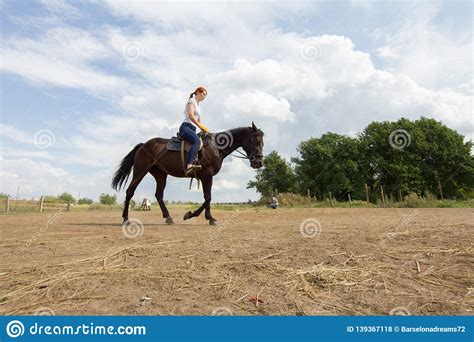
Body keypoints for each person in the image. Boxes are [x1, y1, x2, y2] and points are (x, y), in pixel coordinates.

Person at [179, 86, 209, 176]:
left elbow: (199, 122)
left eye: (205, 95)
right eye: (203, 94)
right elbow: (191, 115)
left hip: (193, 129)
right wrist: (200, 126)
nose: (204, 96)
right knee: (197, 141)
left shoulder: (199, 106)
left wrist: (204, 129)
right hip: (185, 128)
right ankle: (189, 166)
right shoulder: (191, 101)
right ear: (198, 92)